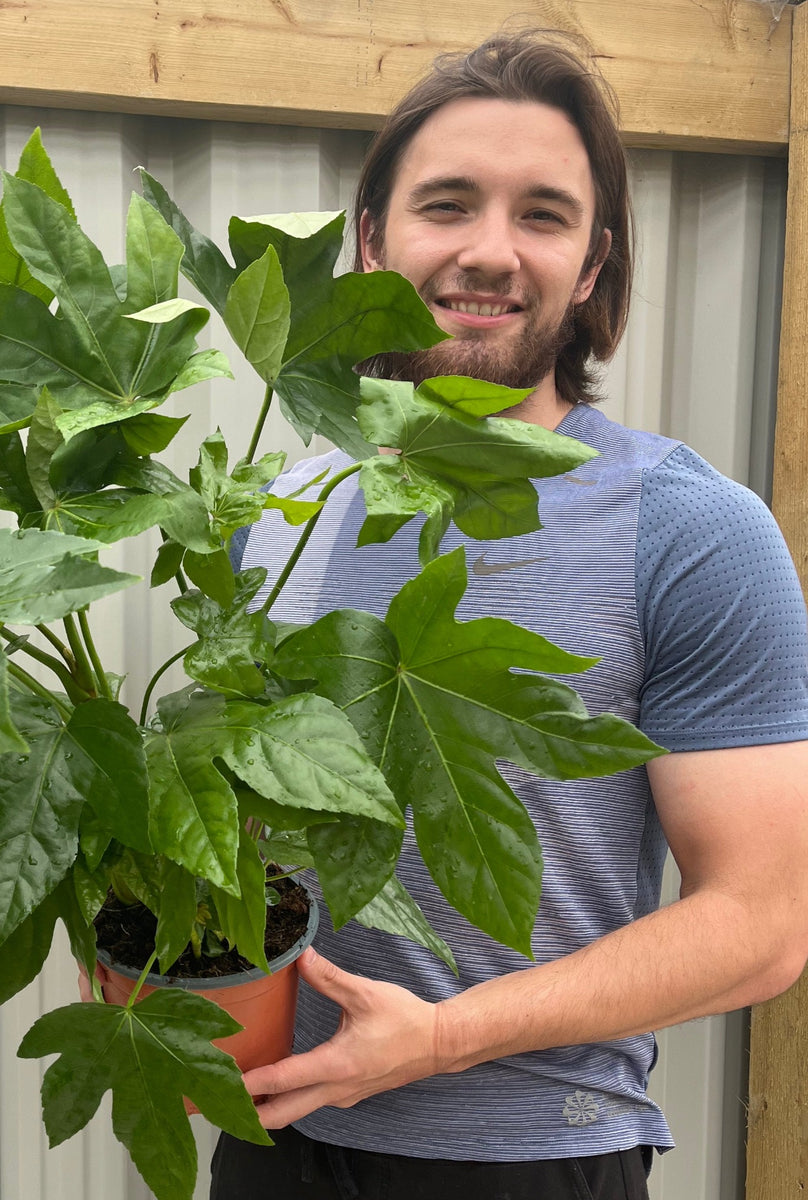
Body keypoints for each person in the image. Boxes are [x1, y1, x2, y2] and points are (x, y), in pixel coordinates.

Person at [211, 29, 808, 1200]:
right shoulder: (279, 508)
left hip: (537, 1155)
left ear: (592, 263)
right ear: (374, 241)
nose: (491, 251)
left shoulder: (692, 531)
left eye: (543, 214)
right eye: (449, 205)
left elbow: (763, 921)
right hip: (272, 1134)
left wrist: (439, 1037)